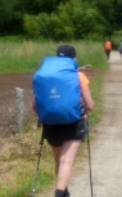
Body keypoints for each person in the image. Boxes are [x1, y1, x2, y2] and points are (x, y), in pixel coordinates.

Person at [33, 45, 94, 197]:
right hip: (74, 123)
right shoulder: (78, 76)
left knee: (59, 161)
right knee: (66, 160)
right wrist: (83, 109)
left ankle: (64, 193)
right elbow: (90, 105)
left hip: (51, 125)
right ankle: (59, 194)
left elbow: (35, 107)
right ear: (74, 58)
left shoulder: (46, 76)